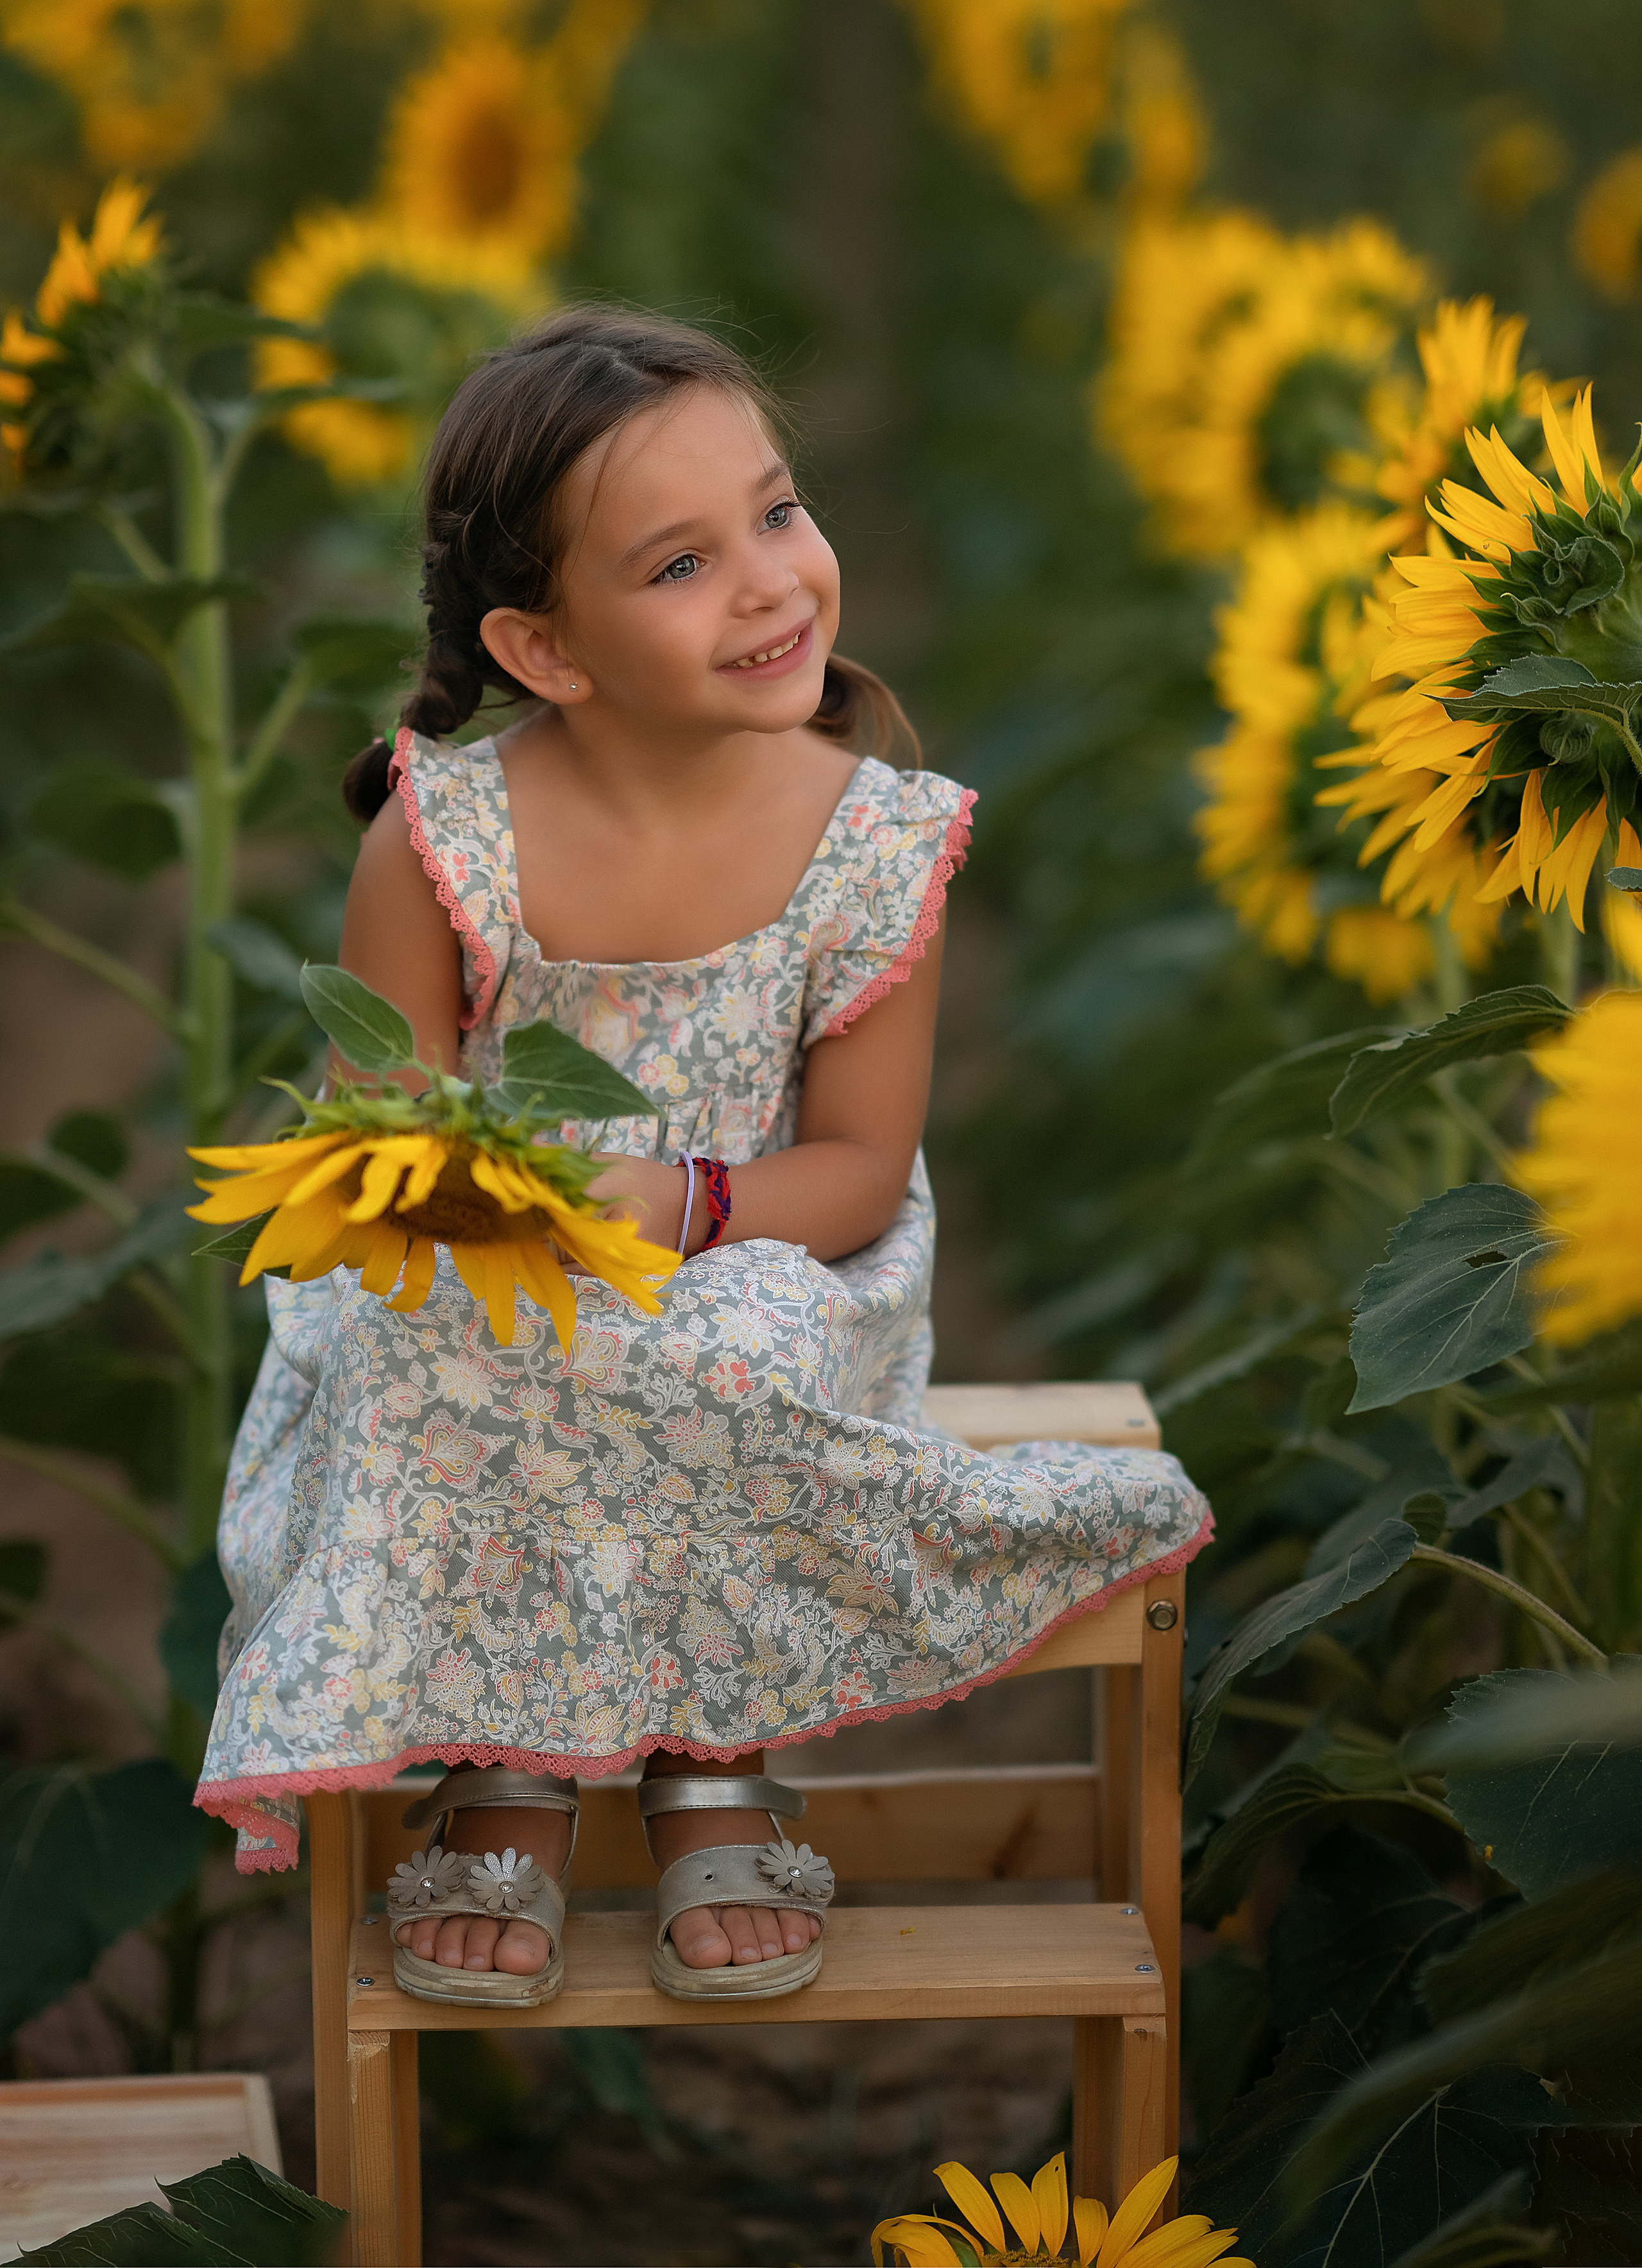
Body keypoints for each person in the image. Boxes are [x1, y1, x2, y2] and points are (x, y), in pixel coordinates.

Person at [196, 308, 1210, 2005]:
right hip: (507, 1274)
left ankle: (710, 1753)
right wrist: (465, 1192)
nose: (768, 584)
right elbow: (372, 1134)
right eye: (680, 563)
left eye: (779, 513)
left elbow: (862, 1172)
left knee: (733, 1359)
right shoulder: (440, 838)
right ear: (547, 649)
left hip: (770, 1249)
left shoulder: (876, 842)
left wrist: (673, 1205)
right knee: (444, 1347)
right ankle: (504, 1763)